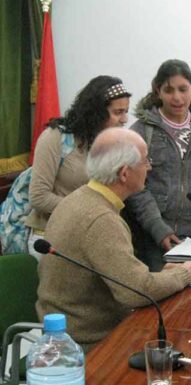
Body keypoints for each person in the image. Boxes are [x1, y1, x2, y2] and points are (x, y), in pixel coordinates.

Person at [36, 128, 191, 352]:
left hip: (67, 334)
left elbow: (126, 279)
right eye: (145, 161)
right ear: (124, 173)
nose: (150, 167)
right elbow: (136, 292)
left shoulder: (77, 199)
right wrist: (184, 274)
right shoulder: (101, 219)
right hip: (86, 345)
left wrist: (163, 277)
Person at [126, 59, 191, 271]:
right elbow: (135, 188)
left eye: (183, 89)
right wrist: (158, 228)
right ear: (158, 92)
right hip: (154, 238)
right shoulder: (140, 132)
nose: (177, 97)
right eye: (169, 90)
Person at [26, 76, 131, 260]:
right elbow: (38, 196)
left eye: (126, 112)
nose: (124, 119)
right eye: (118, 112)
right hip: (51, 237)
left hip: (93, 235)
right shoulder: (55, 137)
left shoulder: (111, 143)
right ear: (97, 112)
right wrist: (88, 212)